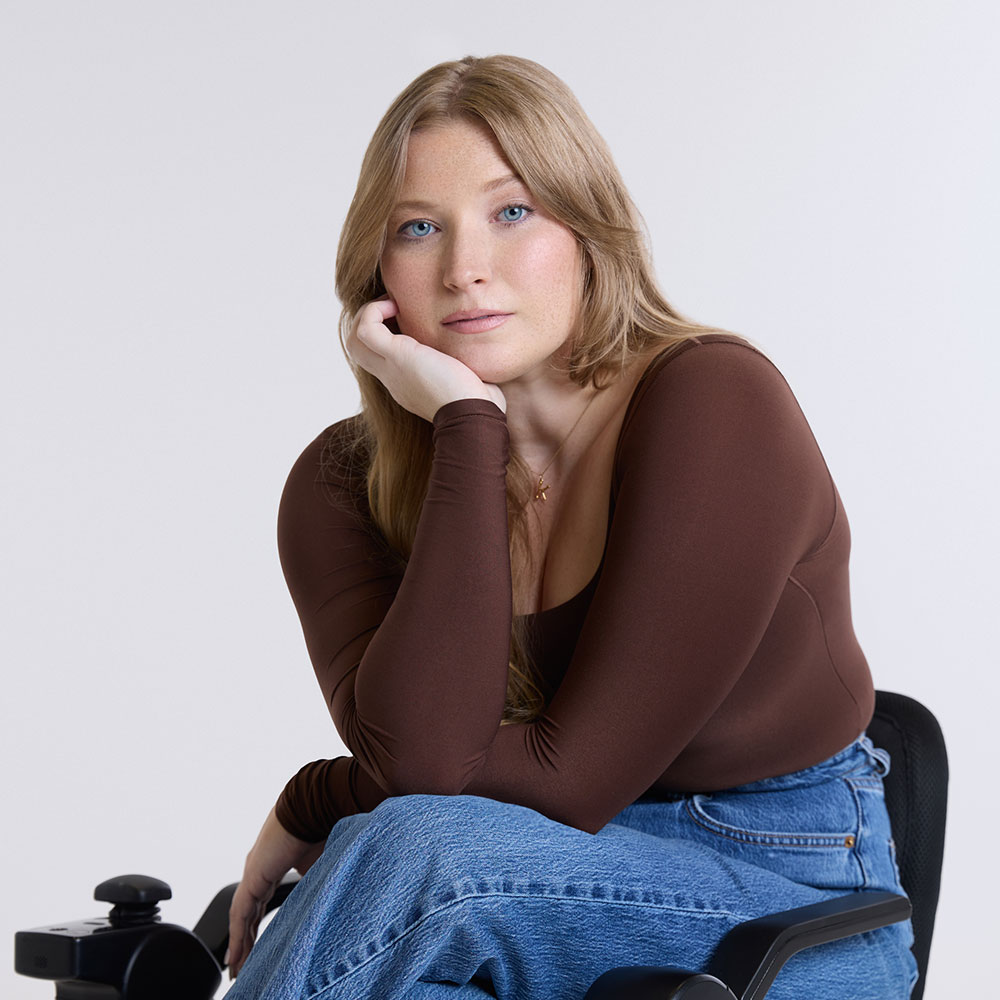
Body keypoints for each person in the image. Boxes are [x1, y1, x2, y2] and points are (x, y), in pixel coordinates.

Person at [224, 54, 917, 1000]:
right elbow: (427, 764)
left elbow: (553, 785)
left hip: (788, 907)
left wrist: (315, 799)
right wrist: (469, 437)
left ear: (587, 227)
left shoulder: (715, 405)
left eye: (513, 212)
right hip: (521, 882)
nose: (466, 269)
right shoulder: (343, 486)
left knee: (420, 856)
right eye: (419, 229)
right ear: (377, 276)